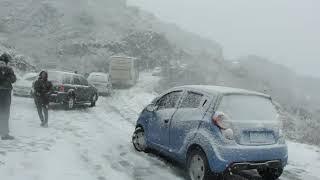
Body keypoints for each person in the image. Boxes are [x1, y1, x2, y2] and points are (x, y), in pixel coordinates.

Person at [0, 53, 16, 140]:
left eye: (3, 63)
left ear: (6, 63)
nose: (1, 64)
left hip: (6, 94)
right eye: (0, 62)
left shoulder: (10, 70)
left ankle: (4, 133)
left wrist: (6, 78)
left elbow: (14, 79)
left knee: (5, 113)